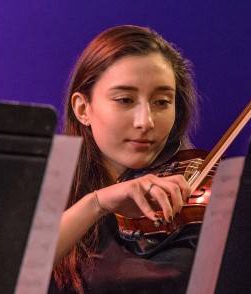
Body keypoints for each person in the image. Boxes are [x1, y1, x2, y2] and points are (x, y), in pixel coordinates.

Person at [50, 24, 199, 293]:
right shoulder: (45, 192)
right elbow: (5, 272)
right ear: (83, 109)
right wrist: (97, 203)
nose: (146, 121)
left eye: (162, 102)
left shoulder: (196, 199)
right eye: (125, 100)